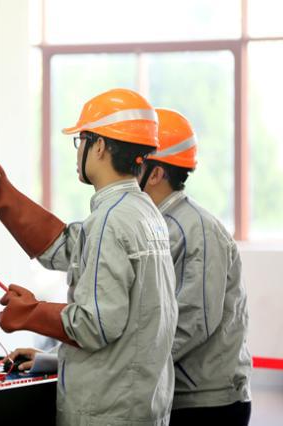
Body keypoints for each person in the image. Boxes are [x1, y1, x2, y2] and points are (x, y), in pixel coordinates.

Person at [0, 88, 178, 425]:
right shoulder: (143, 213)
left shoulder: (109, 221)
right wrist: (3, 196)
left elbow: (96, 325)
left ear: (99, 146)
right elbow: (66, 247)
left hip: (106, 410)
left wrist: (31, 313)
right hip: (139, 404)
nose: (78, 150)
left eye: (81, 140)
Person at [139, 108, 252, 425]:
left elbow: (193, 322)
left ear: (156, 173)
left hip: (206, 404)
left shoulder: (195, 230)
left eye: (134, 162)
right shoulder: (157, 225)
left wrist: (124, 367)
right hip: (176, 397)